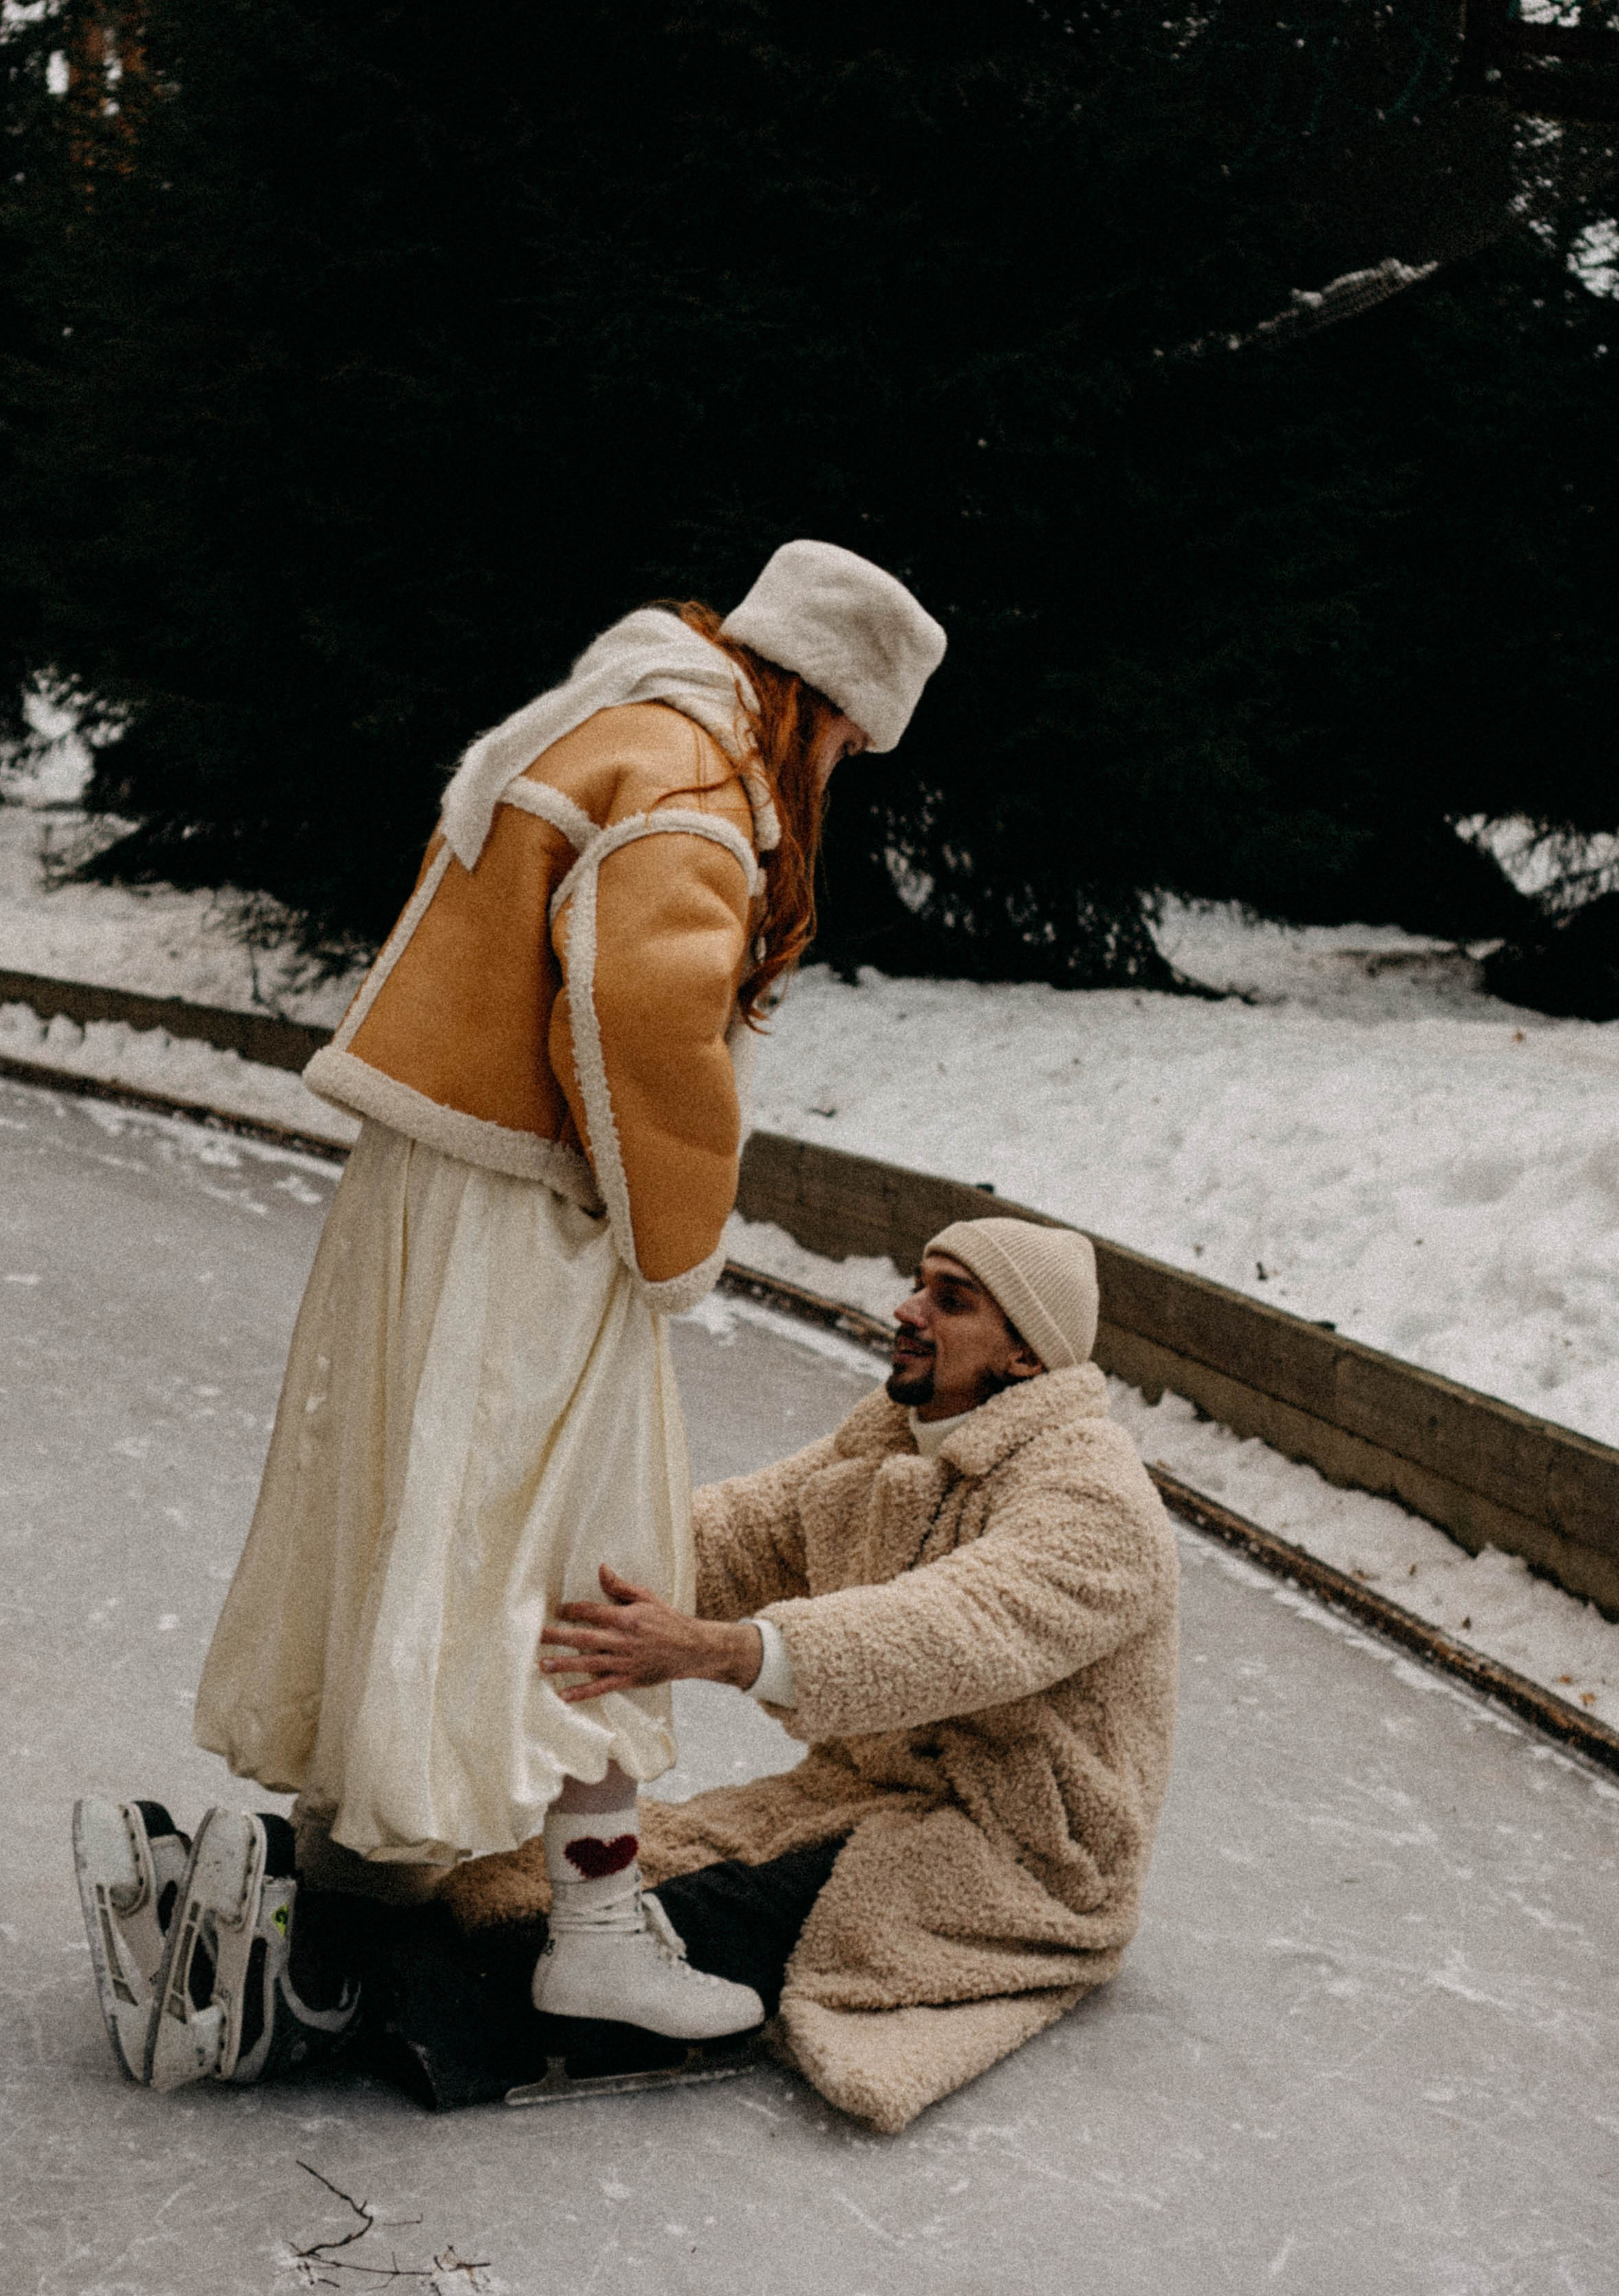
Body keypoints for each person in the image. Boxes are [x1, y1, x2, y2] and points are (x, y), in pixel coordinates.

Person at [73, 540, 946, 2094]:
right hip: (530, 1209)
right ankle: (599, 1933)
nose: (842, 776)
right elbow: (640, 1013)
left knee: (419, 1515)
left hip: (427, 1186)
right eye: (852, 746)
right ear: (820, 700)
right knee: (585, 1532)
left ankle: (339, 1913)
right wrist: (674, 1238)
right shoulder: (695, 777)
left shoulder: (602, 714)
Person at [521, 1215, 1183, 2132]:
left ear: (1027, 1358)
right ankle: (314, 1915)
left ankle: (335, 2003)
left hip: (1015, 1845)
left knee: (674, 1927)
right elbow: (738, 1534)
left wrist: (717, 1648)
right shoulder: (892, 1441)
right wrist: (550, 1564)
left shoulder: (1094, 1498)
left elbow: (958, 1628)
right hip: (864, 1792)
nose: (908, 1311)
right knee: (563, 1885)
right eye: (920, 1283)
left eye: (951, 1300)